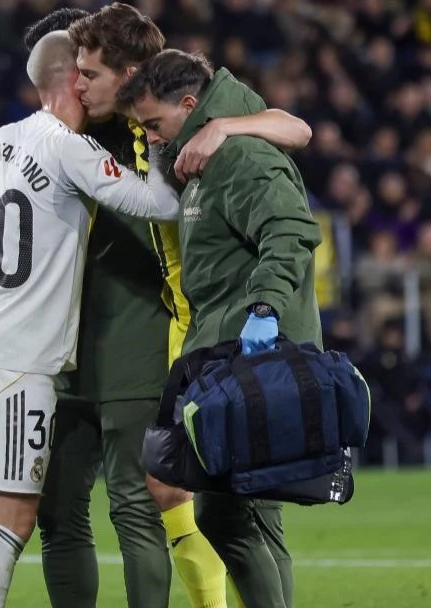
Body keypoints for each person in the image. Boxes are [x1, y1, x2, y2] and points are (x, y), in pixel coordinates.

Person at [34, 5, 312, 608]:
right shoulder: (90, 130)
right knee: (198, 501)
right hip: (175, 326)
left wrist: (225, 129)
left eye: (89, 75)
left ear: (134, 76)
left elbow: (295, 129)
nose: (77, 87)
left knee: (234, 506)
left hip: (221, 323)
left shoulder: (190, 103)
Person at [0, 30, 179, 608]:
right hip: (20, 358)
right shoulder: (67, 147)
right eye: (83, 75)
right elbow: (162, 204)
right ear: (71, 81)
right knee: (13, 514)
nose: (90, 84)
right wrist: (157, 142)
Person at [119, 49, 324, 608]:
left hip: (255, 352)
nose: (150, 138)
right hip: (226, 350)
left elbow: (290, 230)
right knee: (259, 517)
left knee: (224, 512)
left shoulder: (240, 157)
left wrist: (264, 312)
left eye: (155, 124)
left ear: (189, 106)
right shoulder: (200, 152)